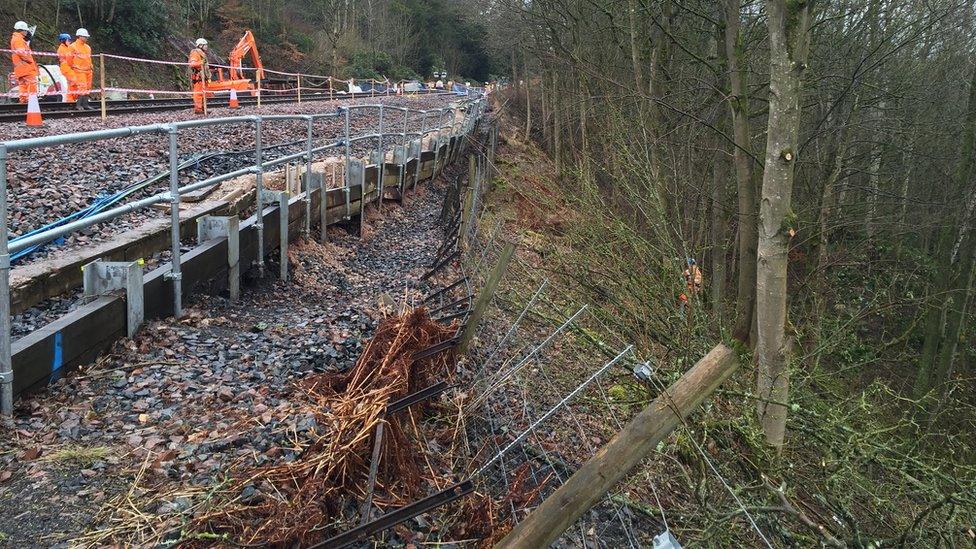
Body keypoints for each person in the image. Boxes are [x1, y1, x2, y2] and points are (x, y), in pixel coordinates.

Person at [9, 21, 37, 103]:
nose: (26, 32)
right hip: (26, 67)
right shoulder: (18, 40)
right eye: (25, 30)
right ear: (21, 30)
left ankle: (24, 102)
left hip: (20, 68)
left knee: (23, 85)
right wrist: (30, 60)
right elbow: (22, 53)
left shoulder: (15, 39)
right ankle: (32, 101)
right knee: (32, 83)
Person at [69, 28, 93, 110]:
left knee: (87, 88)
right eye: (85, 36)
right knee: (82, 87)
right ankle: (78, 105)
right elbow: (69, 59)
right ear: (79, 36)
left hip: (88, 71)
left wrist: (91, 67)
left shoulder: (88, 47)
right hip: (79, 71)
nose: (86, 38)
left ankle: (85, 104)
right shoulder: (72, 46)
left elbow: (89, 59)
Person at [188, 38, 209, 114]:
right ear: (200, 45)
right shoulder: (195, 53)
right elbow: (192, 64)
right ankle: (198, 109)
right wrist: (201, 62)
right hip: (198, 78)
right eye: (205, 45)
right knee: (198, 94)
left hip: (203, 78)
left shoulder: (201, 53)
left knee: (204, 93)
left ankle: (203, 108)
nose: (206, 46)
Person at [57, 33, 75, 102]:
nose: (70, 42)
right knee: (73, 81)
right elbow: (69, 57)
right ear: (64, 41)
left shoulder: (68, 48)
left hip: (69, 66)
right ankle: (70, 98)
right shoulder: (61, 49)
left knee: (72, 82)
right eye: (68, 40)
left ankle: (71, 98)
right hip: (65, 67)